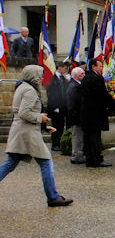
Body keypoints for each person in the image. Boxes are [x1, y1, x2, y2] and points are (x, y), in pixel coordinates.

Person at [0, 65, 72, 207]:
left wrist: (44, 127)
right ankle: (53, 197)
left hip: (22, 132)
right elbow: (24, 113)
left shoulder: (22, 87)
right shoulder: (29, 90)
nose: (42, 78)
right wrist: (41, 118)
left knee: (10, 164)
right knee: (45, 162)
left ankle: (53, 196)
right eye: (40, 75)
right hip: (27, 133)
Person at [80, 58, 115, 168]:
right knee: (95, 138)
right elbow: (103, 95)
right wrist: (114, 104)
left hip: (86, 113)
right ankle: (97, 159)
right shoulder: (97, 78)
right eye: (100, 66)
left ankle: (89, 159)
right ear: (93, 66)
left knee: (88, 138)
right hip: (95, 113)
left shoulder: (86, 77)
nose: (102, 68)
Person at [46, 61, 70, 151]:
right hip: (56, 107)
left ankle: (60, 143)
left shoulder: (63, 79)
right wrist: (54, 107)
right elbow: (51, 94)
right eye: (64, 67)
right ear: (59, 67)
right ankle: (55, 144)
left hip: (63, 106)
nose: (65, 69)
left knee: (61, 126)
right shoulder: (53, 78)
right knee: (56, 126)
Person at [65, 66, 85, 164]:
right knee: (77, 136)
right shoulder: (74, 86)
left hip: (77, 116)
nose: (83, 75)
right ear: (76, 75)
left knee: (79, 136)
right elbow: (74, 103)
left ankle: (78, 154)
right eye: (82, 74)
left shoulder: (76, 85)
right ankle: (76, 155)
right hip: (76, 116)